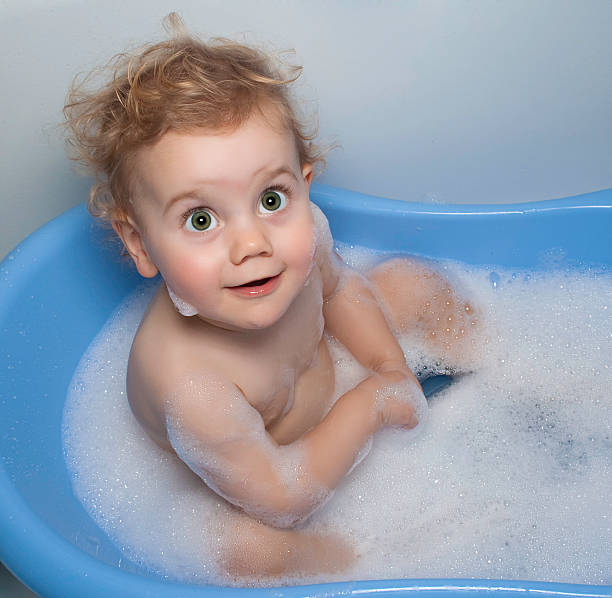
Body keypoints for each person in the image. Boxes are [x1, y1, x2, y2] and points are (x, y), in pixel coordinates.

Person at [64, 14, 477, 580]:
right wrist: (374, 402)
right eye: (201, 218)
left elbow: (342, 288)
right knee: (245, 551)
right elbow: (281, 497)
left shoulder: (302, 244)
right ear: (140, 244)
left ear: (304, 187)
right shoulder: (193, 388)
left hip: (331, 382)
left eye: (272, 199)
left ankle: (499, 372)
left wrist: (390, 367)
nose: (253, 242)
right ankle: (362, 563)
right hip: (255, 480)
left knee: (412, 282)